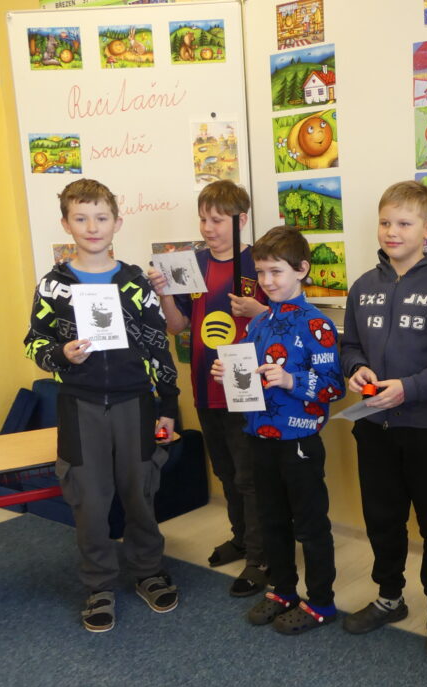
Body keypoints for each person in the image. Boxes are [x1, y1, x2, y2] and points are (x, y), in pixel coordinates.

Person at [23, 178, 180, 633]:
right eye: (81, 218)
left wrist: (168, 404)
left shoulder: (134, 282)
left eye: (101, 217)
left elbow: (158, 345)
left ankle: (148, 570)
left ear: (117, 223)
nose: (92, 227)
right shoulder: (54, 285)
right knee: (89, 500)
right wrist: (61, 354)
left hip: (136, 403)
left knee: (140, 490)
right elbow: (33, 342)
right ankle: (98, 585)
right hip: (80, 405)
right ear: (66, 224)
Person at [340, 180, 427, 659]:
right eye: (385, 222)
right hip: (373, 426)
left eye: (404, 223)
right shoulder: (363, 287)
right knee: (383, 517)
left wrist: (410, 388)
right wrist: (356, 369)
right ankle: (389, 597)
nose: (392, 231)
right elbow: (349, 346)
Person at [212, 226, 345, 635]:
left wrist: (290, 380)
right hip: (258, 437)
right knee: (271, 520)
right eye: (261, 272)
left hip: (298, 441)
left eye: (276, 271)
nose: (267, 281)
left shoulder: (317, 324)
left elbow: (333, 387)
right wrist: (228, 374)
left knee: (310, 525)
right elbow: (250, 378)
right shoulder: (258, 323)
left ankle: (321, 601)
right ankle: (283, 590)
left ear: (301, 269)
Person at [146, 181, 269, 598]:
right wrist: (164, 294)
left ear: (241, 220)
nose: (208, 228)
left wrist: (259, 310)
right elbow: (177, 325)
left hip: (246, 385)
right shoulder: (193, 263)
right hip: (203, 382)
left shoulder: (259, 262)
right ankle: (242, 538)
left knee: (250, 476)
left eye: (217, 220)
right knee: (226, 472)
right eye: (203, 219)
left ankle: (261, 557)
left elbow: (287, 319)